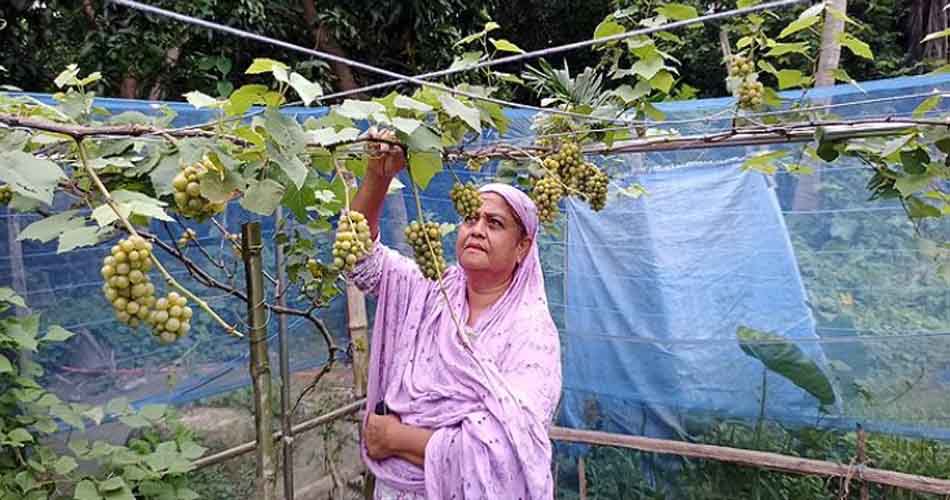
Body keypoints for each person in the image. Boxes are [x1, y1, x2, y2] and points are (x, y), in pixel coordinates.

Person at [345, 129, 563, 499]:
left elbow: (507, 453)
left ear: (522, 247)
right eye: (470, 219)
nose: (477, 230)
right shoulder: (432, 292)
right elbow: (360, 261)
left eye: (494, 224)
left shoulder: (531, 334)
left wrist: (397, 439)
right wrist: (377, 177)